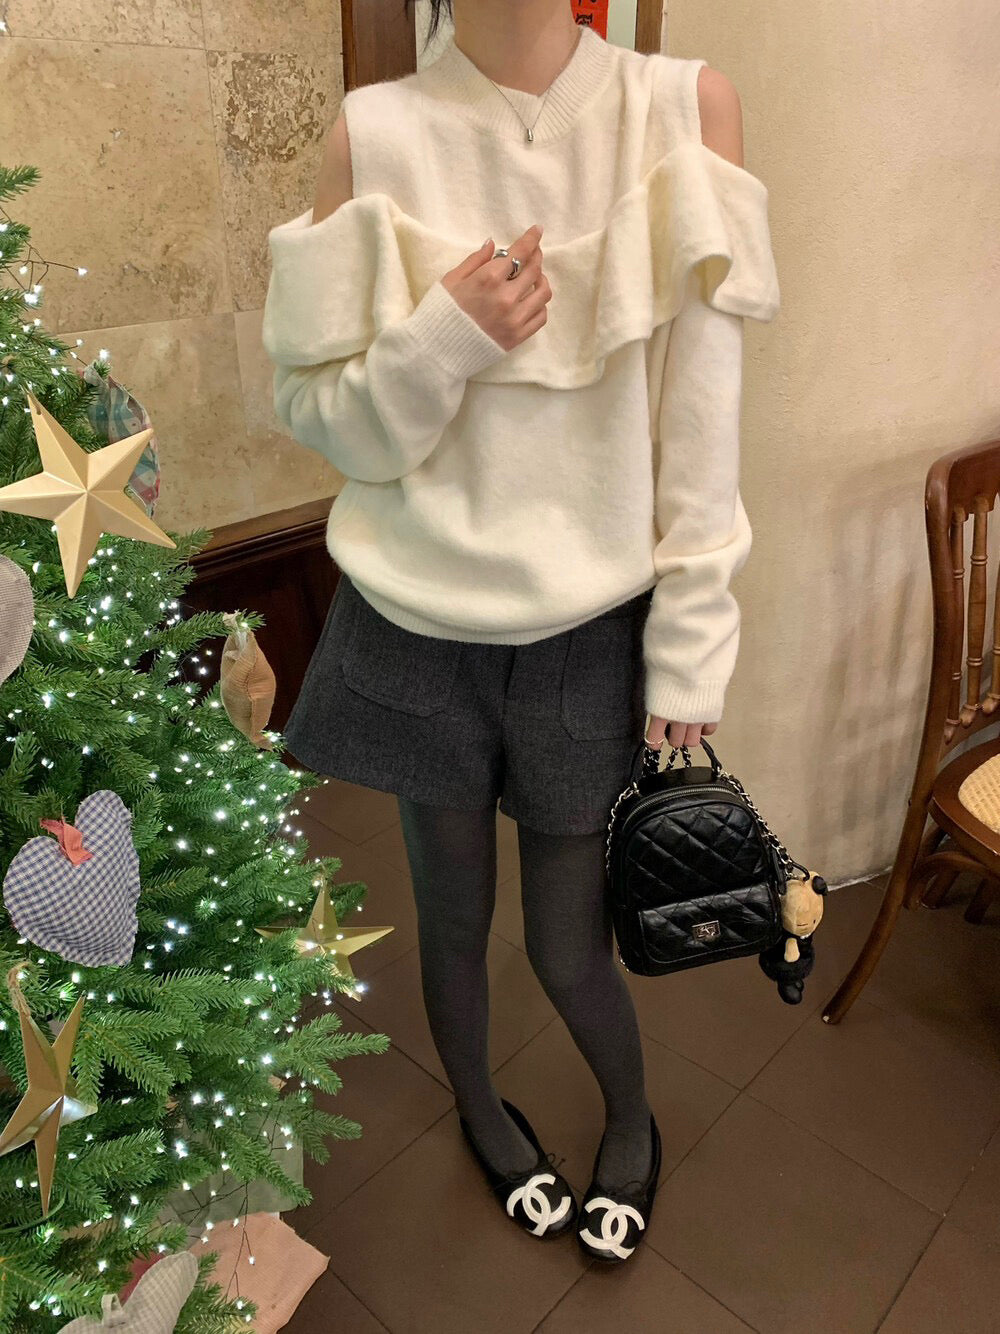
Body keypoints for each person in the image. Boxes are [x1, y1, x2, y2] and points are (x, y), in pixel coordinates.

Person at [261, 0, 779, 1264]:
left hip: (587, 627)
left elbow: (701, 428)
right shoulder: (370, 131)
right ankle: (486, 1116)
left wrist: (691, 643)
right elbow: (319, 418)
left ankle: (631, 1121)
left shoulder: (683, 107)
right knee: (448, 922)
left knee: (566, 943)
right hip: (413, 619)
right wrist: (444, 338)